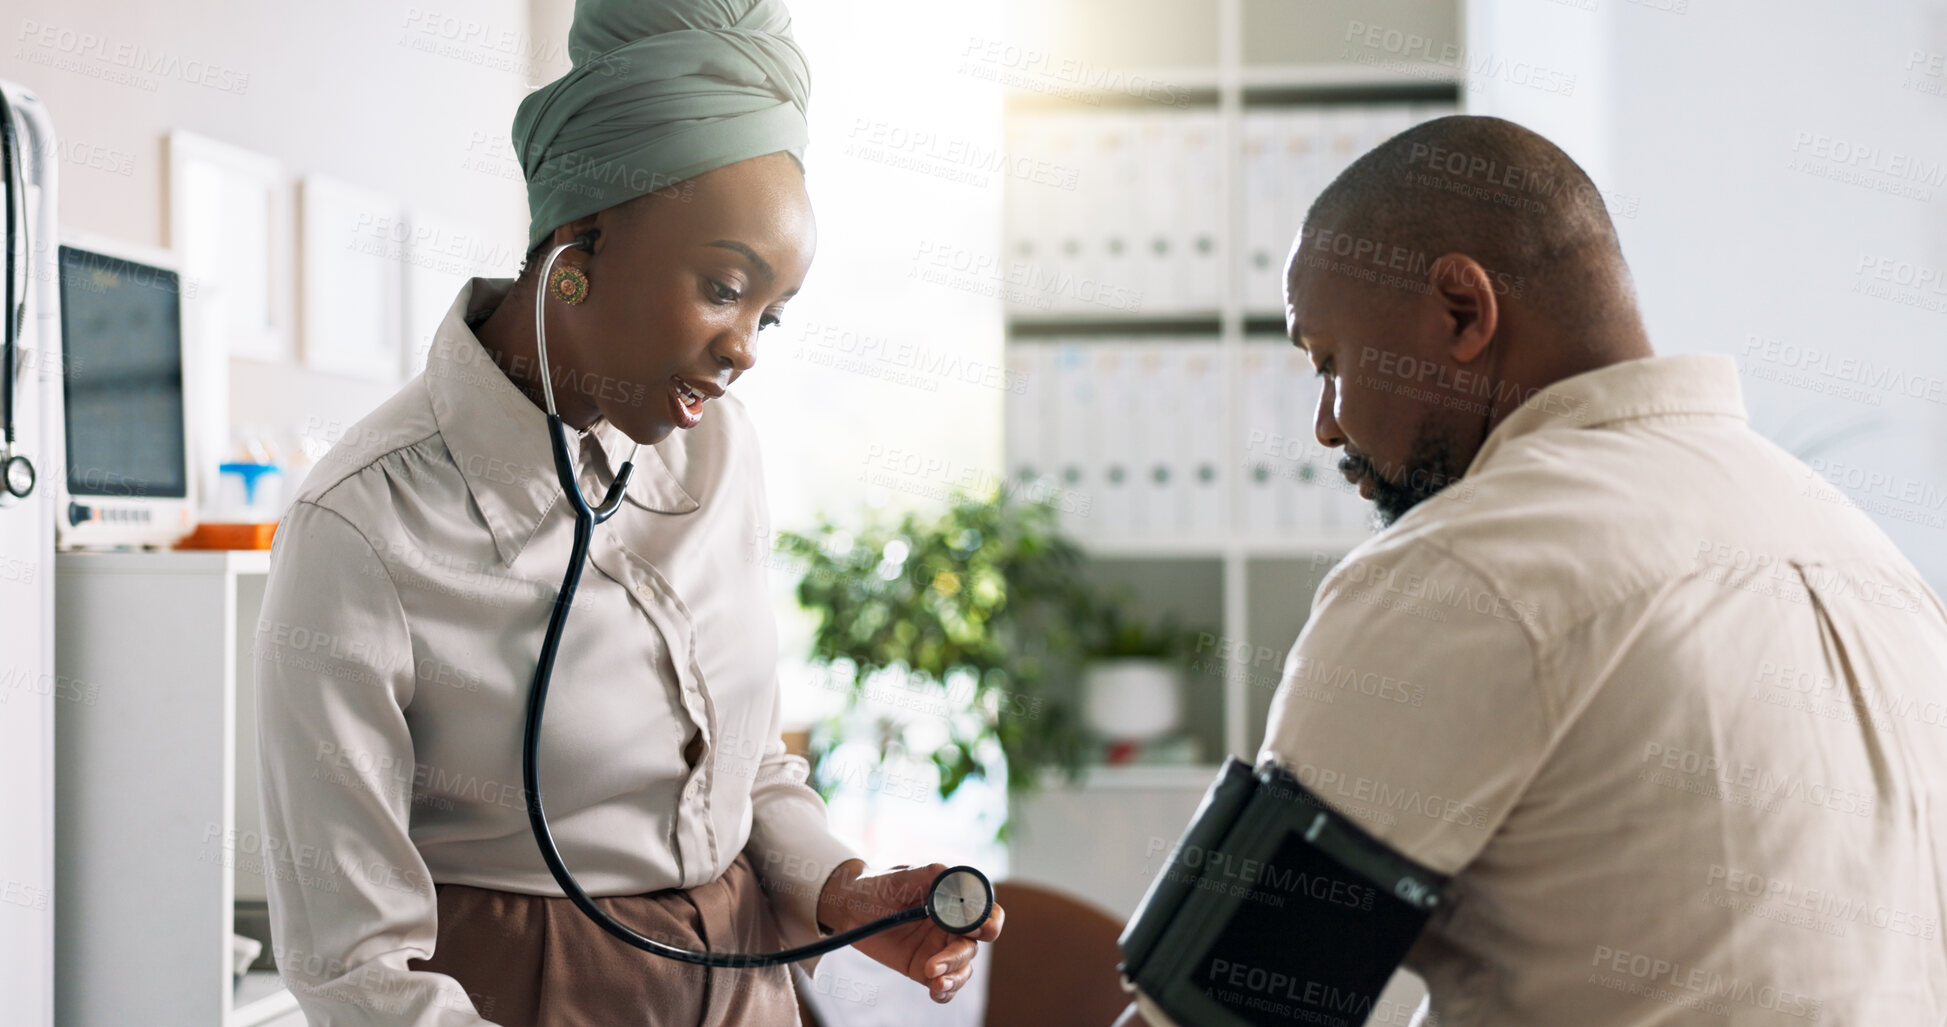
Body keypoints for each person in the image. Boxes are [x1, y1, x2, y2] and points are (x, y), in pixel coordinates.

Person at [253, 1, 1000, 1023]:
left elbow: (744, 762)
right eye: (723, 287)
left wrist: (839, 888)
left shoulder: (718, 448)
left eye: (768, 313)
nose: (745, 349)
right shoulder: (362, 526)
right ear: (576, 256)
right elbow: (355, 967)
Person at [1119, 114, 1947, 1025]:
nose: (1325, 422)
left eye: (1329, 361)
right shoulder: (1876, 567)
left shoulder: (1465, 566)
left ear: (1460, 311)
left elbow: (1226, 1011)